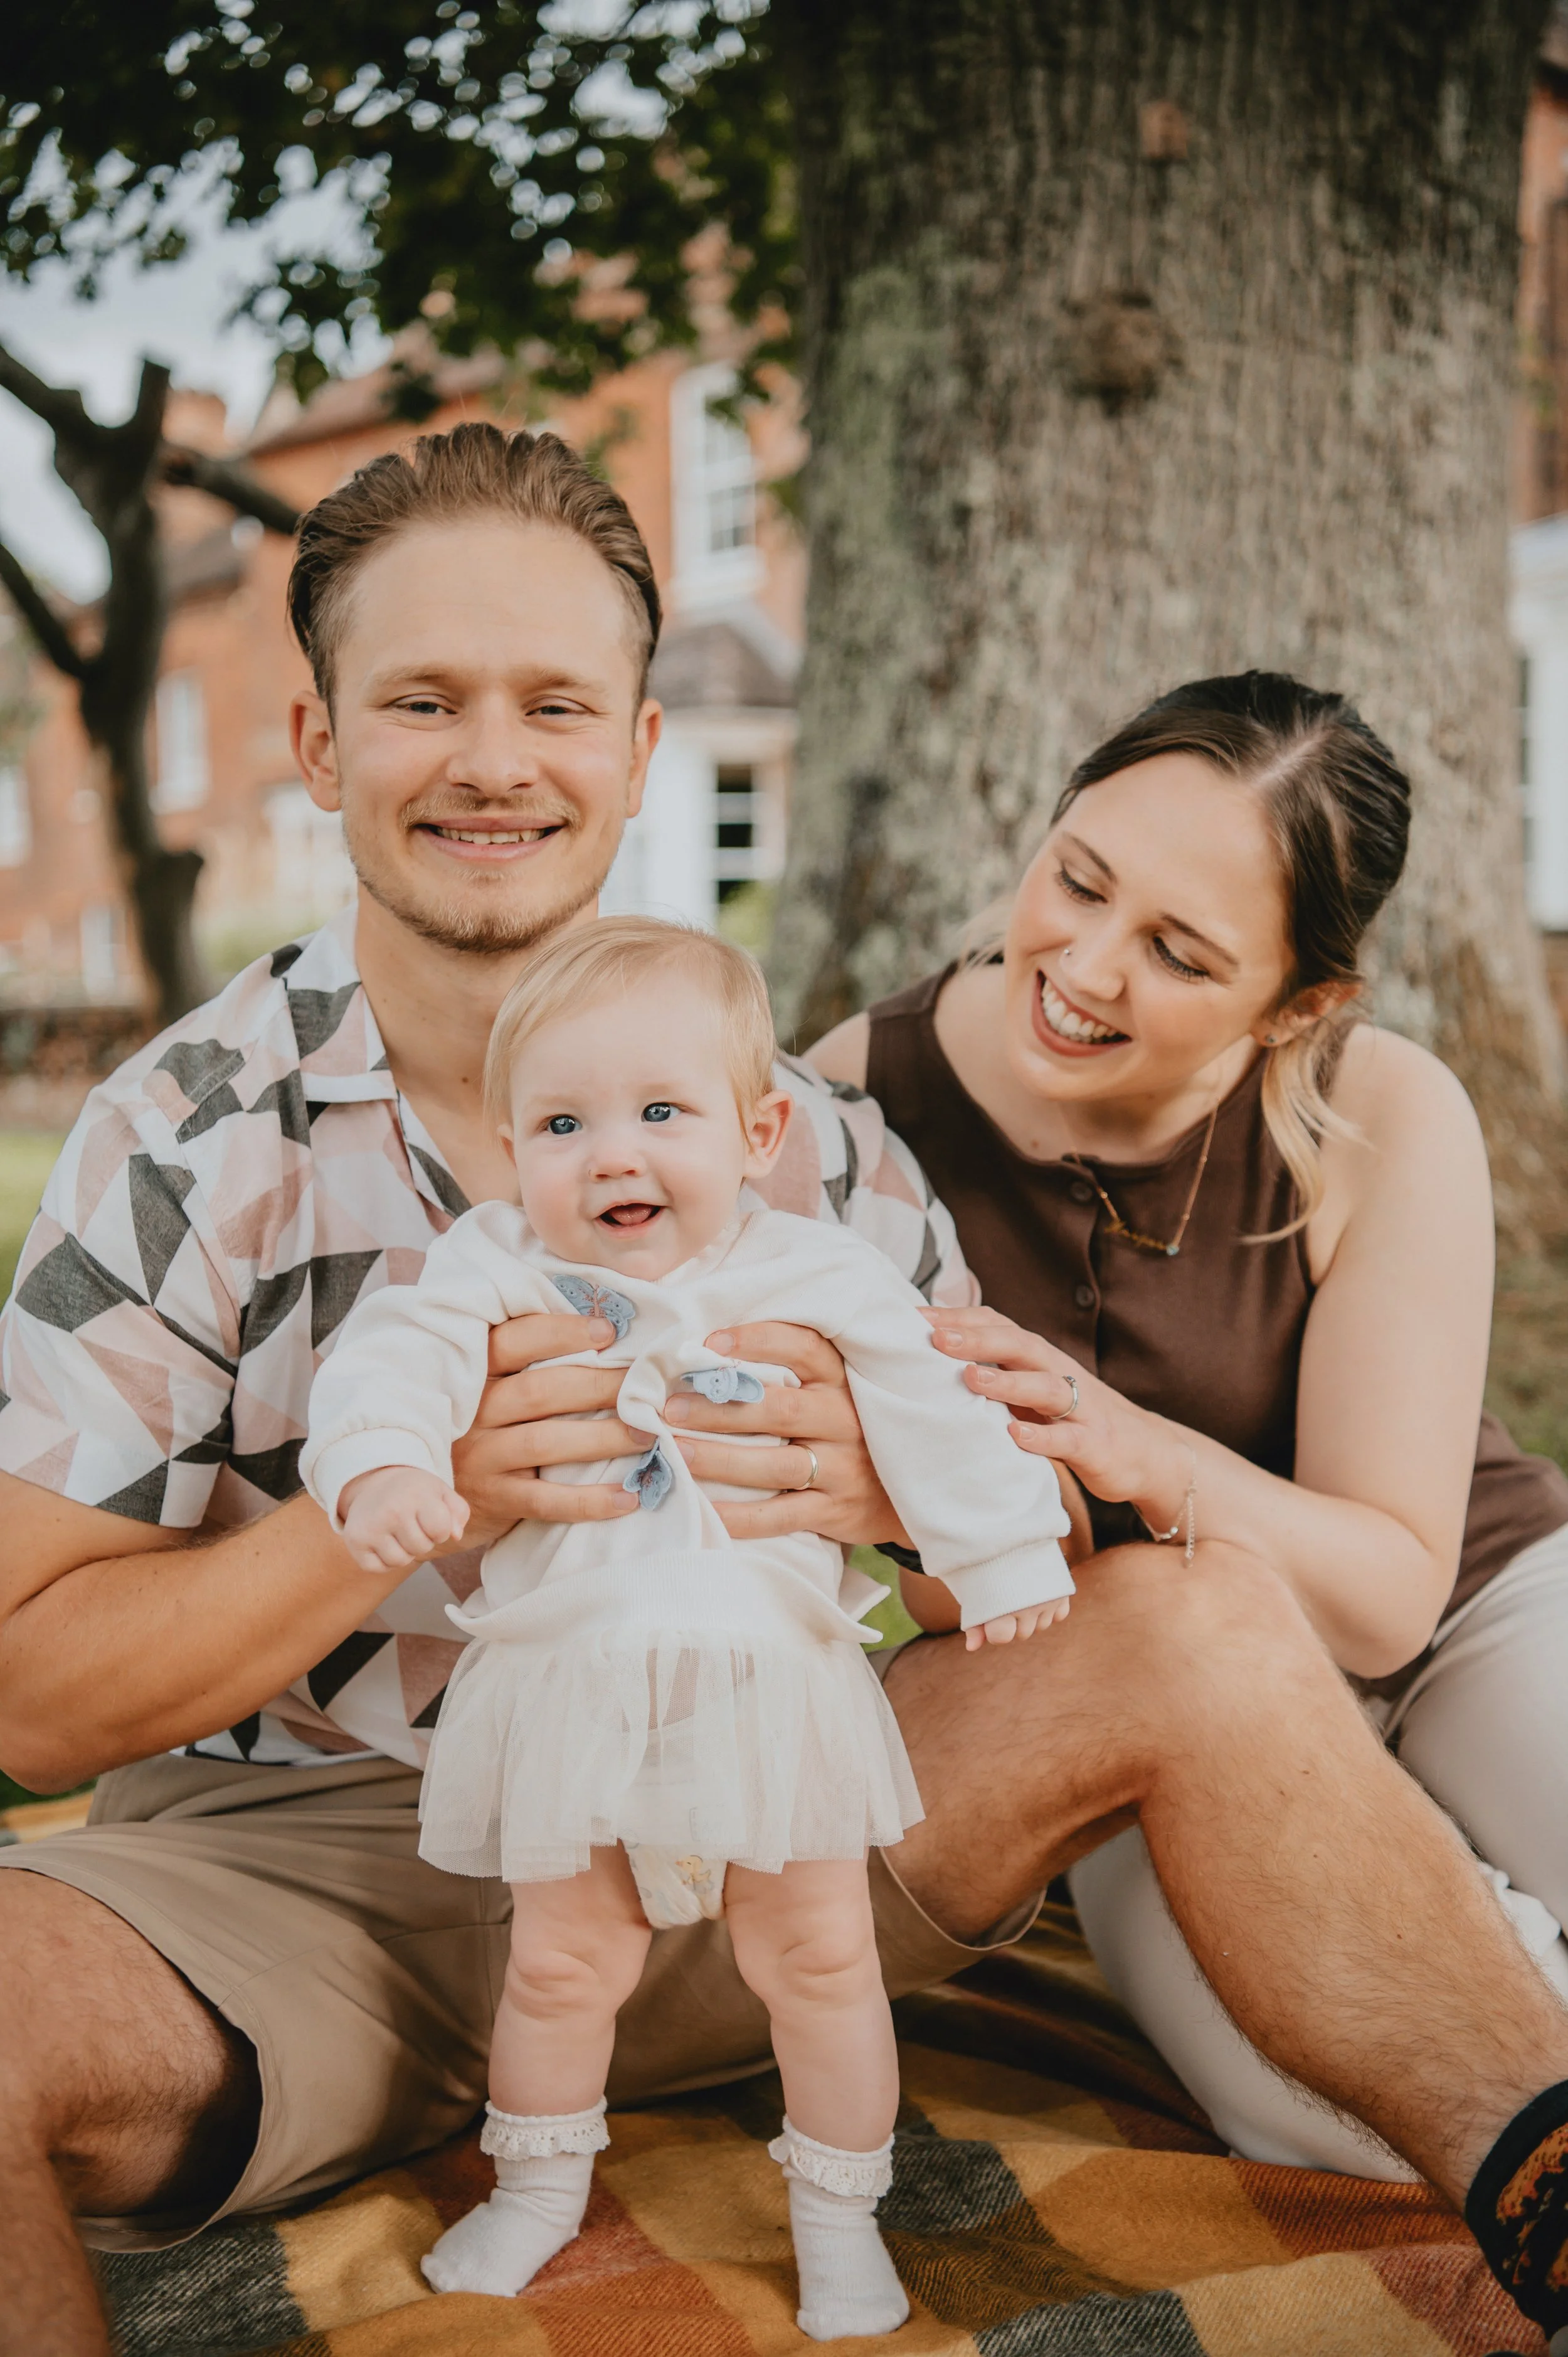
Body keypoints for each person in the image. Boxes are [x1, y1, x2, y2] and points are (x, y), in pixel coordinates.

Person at [0, 428, 1566, 2357]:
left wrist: (885, 1499)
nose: (495, 757)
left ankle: (1552, 2184)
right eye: (423, 700)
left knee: (1203, 1612)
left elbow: (1044, 1546)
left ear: (640, 748)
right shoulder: (175, 1137)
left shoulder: (800, 1131)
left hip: (764, 1814)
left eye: (554, 703)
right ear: (321, 748)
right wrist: (392, 1506)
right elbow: (30, 1685)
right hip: (305, 1881)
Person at [808, 667, 1568, 2325]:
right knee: (1338, 2106)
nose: (1081, 967)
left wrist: (1134, 1448)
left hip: (1466, 1609)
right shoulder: (843, 1121)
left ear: (1293, 1004)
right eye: (1077, 879)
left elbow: (1384, 1590)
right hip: (1155, 1697)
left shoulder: (1375, 1109)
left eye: (1180, 952)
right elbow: (877, 1572)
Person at [302, 917, 1071, 2331]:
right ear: (507, 1149)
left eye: (661, 1113)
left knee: (820, 1957)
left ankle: (841, 2219)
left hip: (763, 1685)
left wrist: (1005, 1546)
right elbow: (385, 1363)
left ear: (758, 1129)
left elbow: (928, 1403)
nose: (612, 1154)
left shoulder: (820, 1274)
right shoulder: (491, 1264)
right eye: (561, 1122)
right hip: (573, 1685)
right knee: (559, 1962)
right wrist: (384, 1464)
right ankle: (533, 2193)